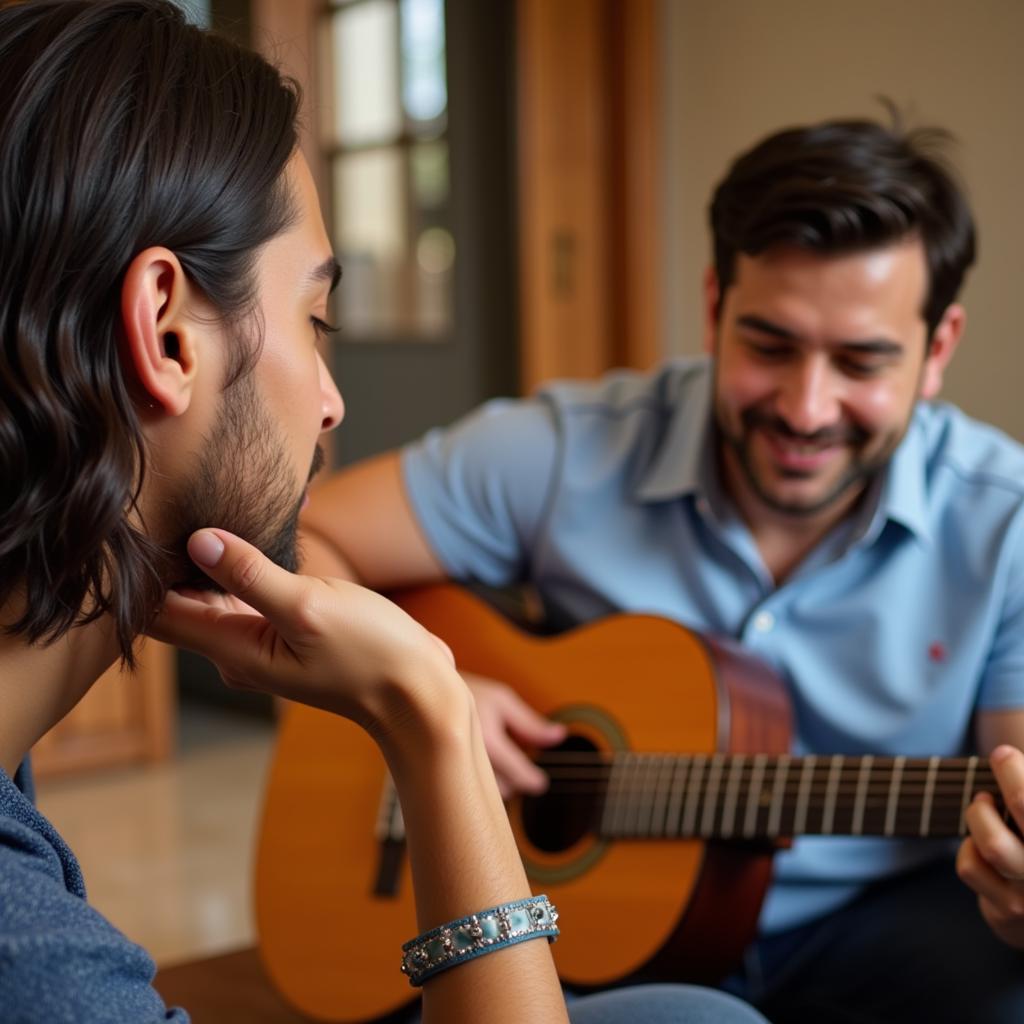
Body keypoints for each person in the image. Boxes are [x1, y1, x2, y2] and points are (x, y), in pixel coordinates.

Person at [0, 3, 774, 1023]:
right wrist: (434, 717)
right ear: (166, 333)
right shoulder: (38, 970)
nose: (331, 401)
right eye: (314, 321)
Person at [299, 111, 1024, 1024]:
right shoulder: (567, 450)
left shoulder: (1007, 523)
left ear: (938, 349)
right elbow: (295, 544)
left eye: (860, 361)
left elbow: (1016, 780)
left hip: (873, 935)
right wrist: (426, 690)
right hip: (570, 940)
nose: (806, 407)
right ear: (715, 305)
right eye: (769, 345)